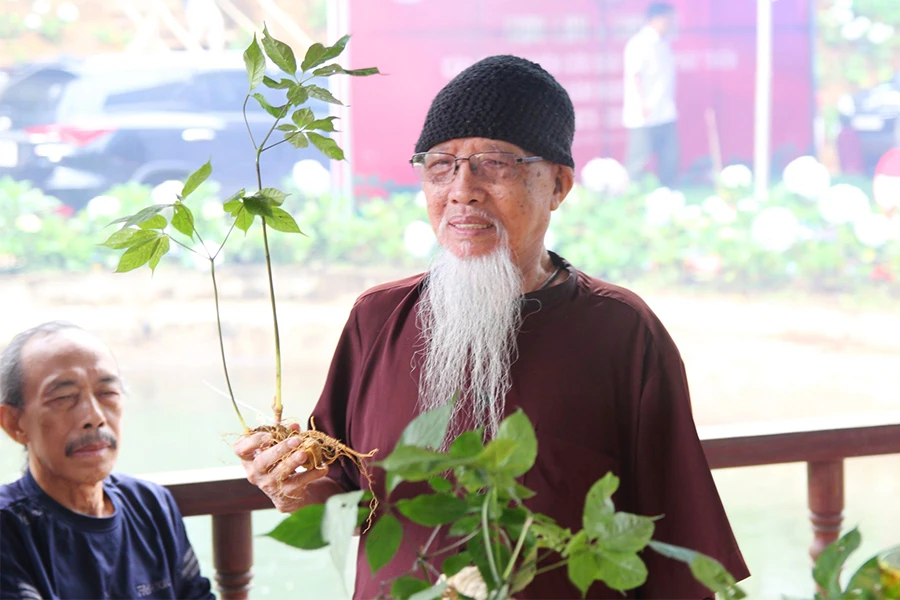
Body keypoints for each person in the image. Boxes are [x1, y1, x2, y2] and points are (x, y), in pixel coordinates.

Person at [235, 55, 749, 599]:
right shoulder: (377, 319)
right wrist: (291, 486)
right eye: (441, 166)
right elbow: (340, 504)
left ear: (558, 185)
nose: (462, 190)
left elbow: (681, 563)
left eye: (494, 164)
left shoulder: (622, 333)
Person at [0, 321, 214, 600]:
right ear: (15, 423)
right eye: (64, 397)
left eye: (107, 393)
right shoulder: (9, 529)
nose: (95, 416)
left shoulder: (150, 505)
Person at [622, 2, 680, 188]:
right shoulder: (639, 43)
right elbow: (635, 75)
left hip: (665, 111)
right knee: (638, 162)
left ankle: (668, 196)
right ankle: (632, 201)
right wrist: (642, 104)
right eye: (668, 19)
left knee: (669, 160)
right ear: (655, 19)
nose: (671, 23)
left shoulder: (664, 43)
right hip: (644, 114)